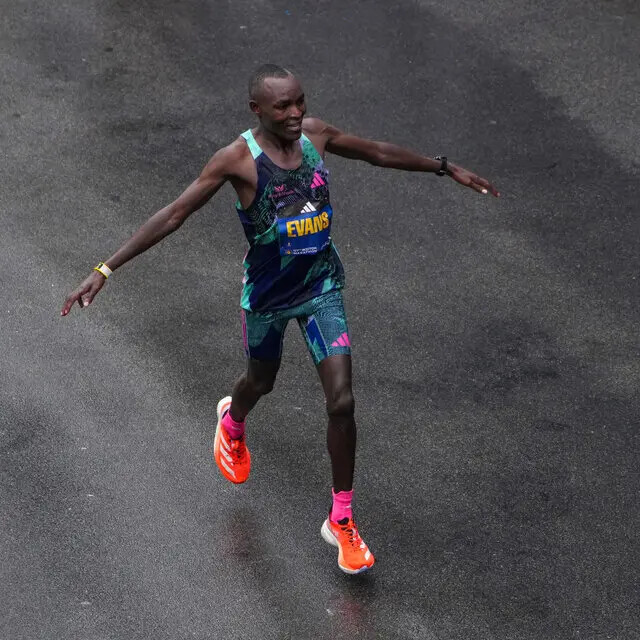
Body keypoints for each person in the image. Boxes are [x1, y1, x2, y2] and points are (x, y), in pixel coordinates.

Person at [62, 63, 499, 574]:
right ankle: (233, 420)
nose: (295, 113)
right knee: (260, 381)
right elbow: (175, 213)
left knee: (342, 400)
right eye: (282, 106)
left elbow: (378, 152)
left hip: (321, 289)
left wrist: (444, 167)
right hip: (268, 298)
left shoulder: (316, 136)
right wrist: (105, 269)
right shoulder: (237, 160)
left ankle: (340, 519)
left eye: (299, 101)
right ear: (257, 110)